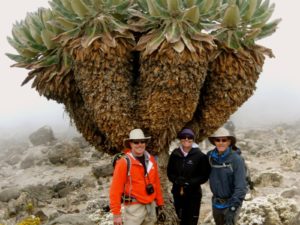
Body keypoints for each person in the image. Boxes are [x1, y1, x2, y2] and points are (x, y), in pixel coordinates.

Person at [109, 128, 164, 225]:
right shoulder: (123, 162)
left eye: (142, 141)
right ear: (130, 144)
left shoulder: (151, 160)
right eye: (136, 142)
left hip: (151, 205)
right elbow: (115, 189)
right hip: (134, 209)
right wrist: (116, 214)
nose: (140, 144)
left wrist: (160, 203)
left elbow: (156, 183)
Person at [167, 128, 211, 225]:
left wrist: (190, 182)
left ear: (193, 139)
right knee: (179, 220)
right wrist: (176, 180)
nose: (186, 139)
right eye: (184, 137)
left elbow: (204, 176)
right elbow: (170, 173)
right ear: (180, 139)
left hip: (193, 195)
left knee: (191, 221)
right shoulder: (175, 154)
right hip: (177, 193)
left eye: (190, 137)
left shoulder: (200, 156)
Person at [207, 127, 248, 225]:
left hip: (231, 203)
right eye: (218, 140)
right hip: (216, 203)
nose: (221, 142)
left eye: (224, 140)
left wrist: (233, 208)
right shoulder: (210, 157)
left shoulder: (236, 160)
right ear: (214, 141)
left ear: (229, 142)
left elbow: (241, 187)